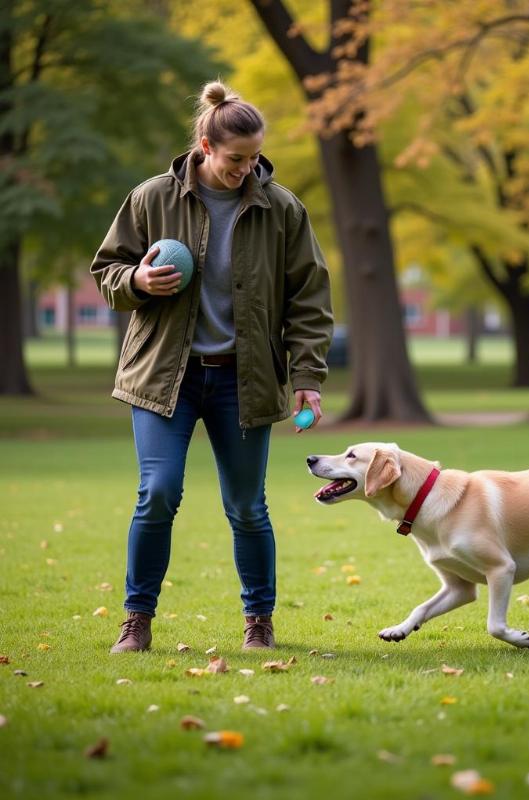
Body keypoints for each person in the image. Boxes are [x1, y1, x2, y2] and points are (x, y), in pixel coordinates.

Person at [91, 80, 333, 653]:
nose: (245, 170)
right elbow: (107, 271)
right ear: (205, 146)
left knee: (248, 506)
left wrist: (308, 379)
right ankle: (137, 621)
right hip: (163, 376)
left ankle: (259, 623)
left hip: (242, 379)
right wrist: (138, 281)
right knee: (159, 492)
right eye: (234, 159)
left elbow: (310, 299)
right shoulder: (152, 199)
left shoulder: (282, 209)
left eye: (253, 159)